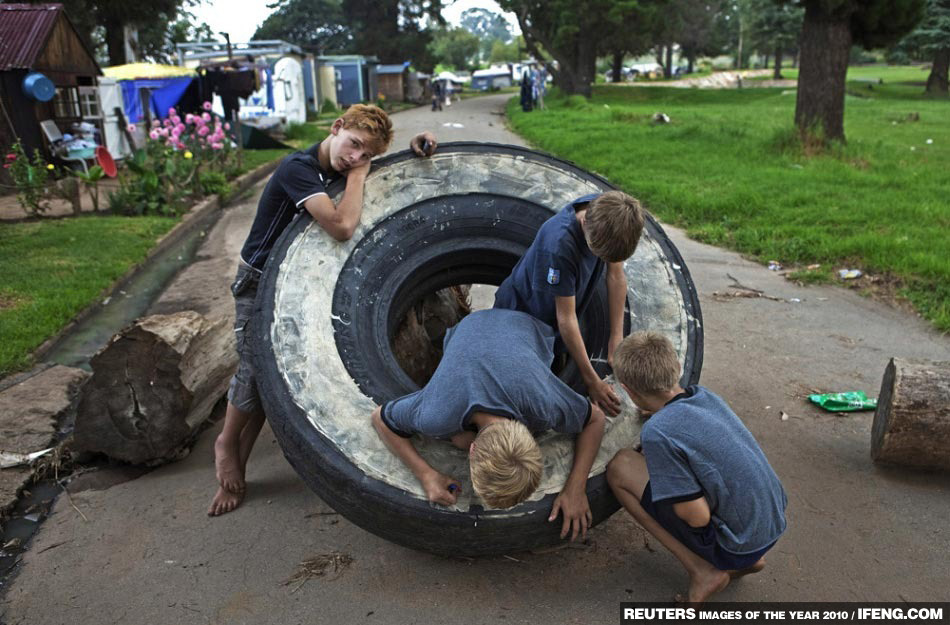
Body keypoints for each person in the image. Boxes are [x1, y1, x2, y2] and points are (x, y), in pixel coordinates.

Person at [209, 104, 438, 516]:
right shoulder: (297, 168)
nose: (355, 158)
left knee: (269, 369)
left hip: (293, 278)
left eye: (366, 154)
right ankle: (226, 443)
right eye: (353, 145)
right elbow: (340, 226)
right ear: (335, 128)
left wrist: (416, 144)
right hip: (258, 280)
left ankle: (238, 459)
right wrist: (358, 175)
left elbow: (379, 167)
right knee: (254, 366)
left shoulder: (342, 161)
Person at [371, 308, 606, 541]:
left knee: (458, 437)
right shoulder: (437, 414)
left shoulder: (542, 403)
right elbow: (379, 418)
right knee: (458, 437)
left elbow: (596, 419)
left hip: (526, 326)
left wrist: (576, 486)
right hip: (470, 328)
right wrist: (426, 475)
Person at [605, 331, 788, 603]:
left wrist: (663, 474)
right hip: (771, 524)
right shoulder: (705, 396)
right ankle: (749, 559)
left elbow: (696, 517)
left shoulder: (658, 432)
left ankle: (702, 571)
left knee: (620, 468)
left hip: (737, 543)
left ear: (628, 391)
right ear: (677, 368)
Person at [493, 190, 644, 418]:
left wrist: (616, 337)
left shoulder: (611, 213)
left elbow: (615, 275)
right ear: (584, 222)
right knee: (520, 387)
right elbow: (566, 318)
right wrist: (592, 381)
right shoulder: (559, 245)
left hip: (559, 312)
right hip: (521, 313)